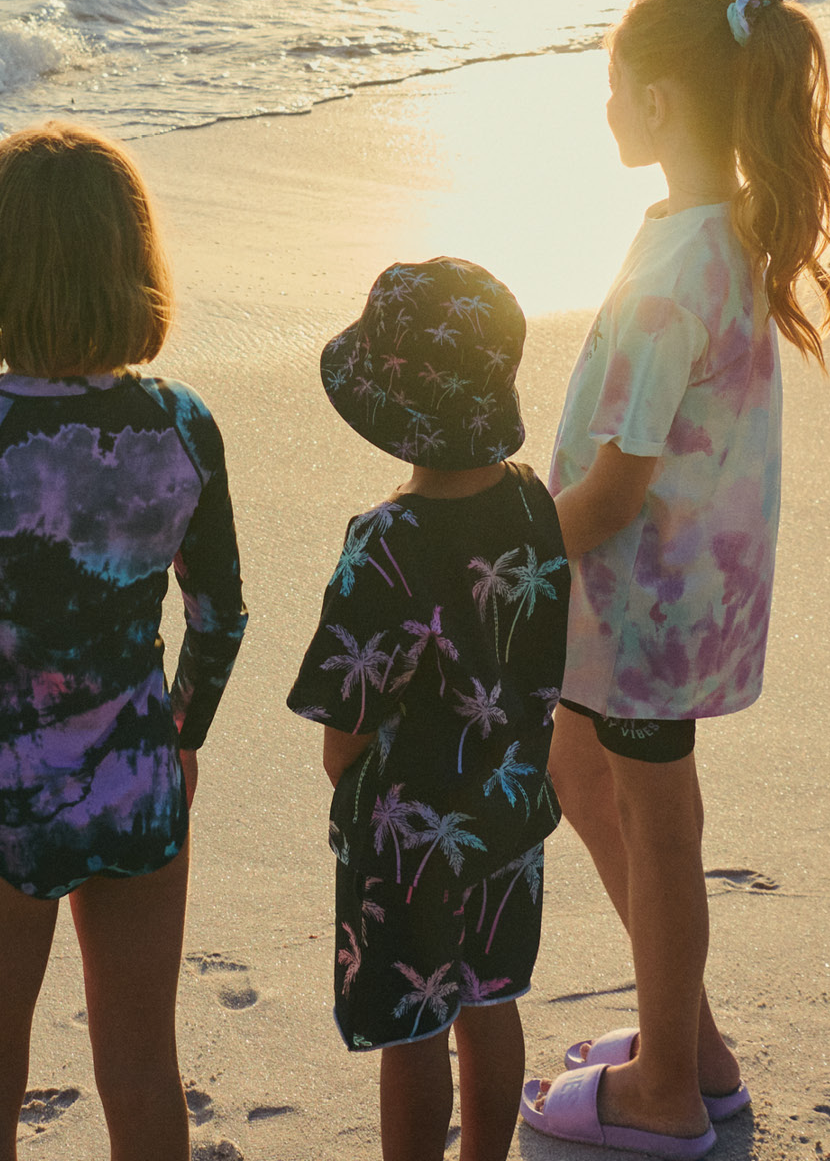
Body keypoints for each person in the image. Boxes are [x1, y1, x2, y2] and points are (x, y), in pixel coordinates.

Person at [0, 122, 247, 1161]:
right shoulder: (182, 423)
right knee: (139, 1065)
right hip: (137, 780)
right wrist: (182, 730)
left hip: (0, 799)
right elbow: (220, 613)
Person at [520, 0, 830, 1159]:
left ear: (657, 100)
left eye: (612, 89)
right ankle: (689, 1045)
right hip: (672, 600)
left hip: (645, 607)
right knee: (580, 769)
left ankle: (667, 1092)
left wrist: (492, 550)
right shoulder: (715, 227)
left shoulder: (675, 276)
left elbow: (609, 493)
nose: (603, 106)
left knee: (656, 822)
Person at [288, 257, 573, 1161]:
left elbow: (346, 735)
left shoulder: (387, 544)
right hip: (513, 807)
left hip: (408, 833)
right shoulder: (534, 503)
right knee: (490, 1000)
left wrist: (364, 797)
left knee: (411, 1025)